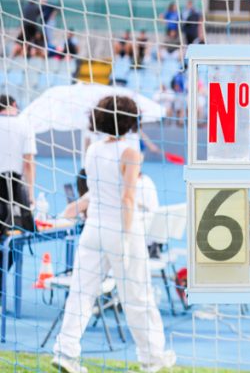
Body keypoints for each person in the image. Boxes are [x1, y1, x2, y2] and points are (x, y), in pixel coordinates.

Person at [52, 96, 175, 373]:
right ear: (130, 121)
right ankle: (152, 357)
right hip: (119, 230)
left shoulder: (93, 150)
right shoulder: (130, 153)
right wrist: (127, 236)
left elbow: (94, 192)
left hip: (93, 229)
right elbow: (127, 198)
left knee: (81, 293)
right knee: (137, 295)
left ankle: (65, 351)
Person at [0, 95, 37, 299]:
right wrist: (30, 196)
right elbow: (28, 163)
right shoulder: (24, 124)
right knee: (14, 238)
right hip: (12, 190)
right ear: (14, 105)